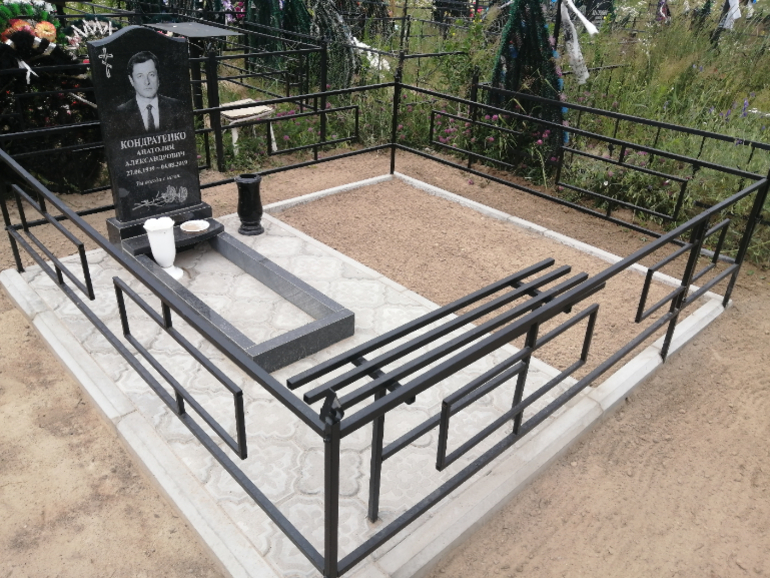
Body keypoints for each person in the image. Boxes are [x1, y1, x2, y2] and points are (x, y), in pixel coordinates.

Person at [116, 51, 187, 134]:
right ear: (131, 80)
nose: (147, 82)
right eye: (140, 76)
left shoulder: (177, 107)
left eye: (151, 74)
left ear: (158, 76)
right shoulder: (120, 114)